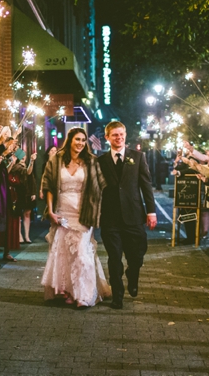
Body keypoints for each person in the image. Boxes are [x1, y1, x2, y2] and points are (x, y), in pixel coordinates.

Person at [41, 127, 110, 308]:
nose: (80, 143)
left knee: (81, 252)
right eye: (77, 139)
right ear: (70, 140)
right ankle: (69, 291)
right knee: (63, 254)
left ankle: (84, 295)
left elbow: (100, 187)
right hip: (62, 211)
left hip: (84, 213)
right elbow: (48, 186)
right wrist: (50, 211)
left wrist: (97, 208)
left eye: (83, 140)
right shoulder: (56, 161)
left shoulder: (91, 162)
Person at [98, 121, 157, 309]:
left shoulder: (138, 157)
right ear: (107, 138)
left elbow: (146, 186)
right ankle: (117, 296)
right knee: (114, 258)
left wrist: (151, 211)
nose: (119, 138)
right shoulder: (100, 161)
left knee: (137, 253)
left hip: (133, 215)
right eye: (115, 135)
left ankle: (133, 275)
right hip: (110, 218)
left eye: (121, 134)